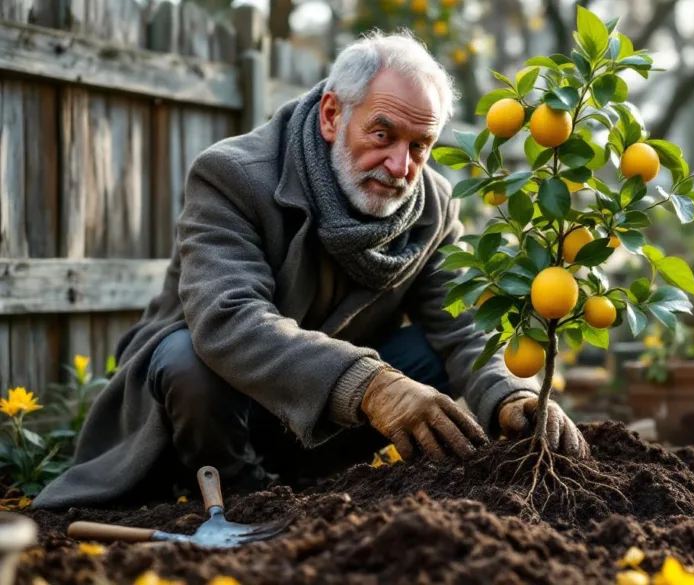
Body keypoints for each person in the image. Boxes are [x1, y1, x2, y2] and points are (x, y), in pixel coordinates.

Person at [32, 31, 588, 510]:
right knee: (185, 358)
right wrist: (373, 386)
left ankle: (311, 482)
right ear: (331, 115)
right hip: (208, 415)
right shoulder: (232, 176)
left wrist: (512, 395)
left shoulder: (435, 206)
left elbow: (461, 327)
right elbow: (229, 319)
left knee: (429, 353)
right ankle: (241, 496)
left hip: (320, 414)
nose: (401, 167)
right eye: (383, 134)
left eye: (420, 146)